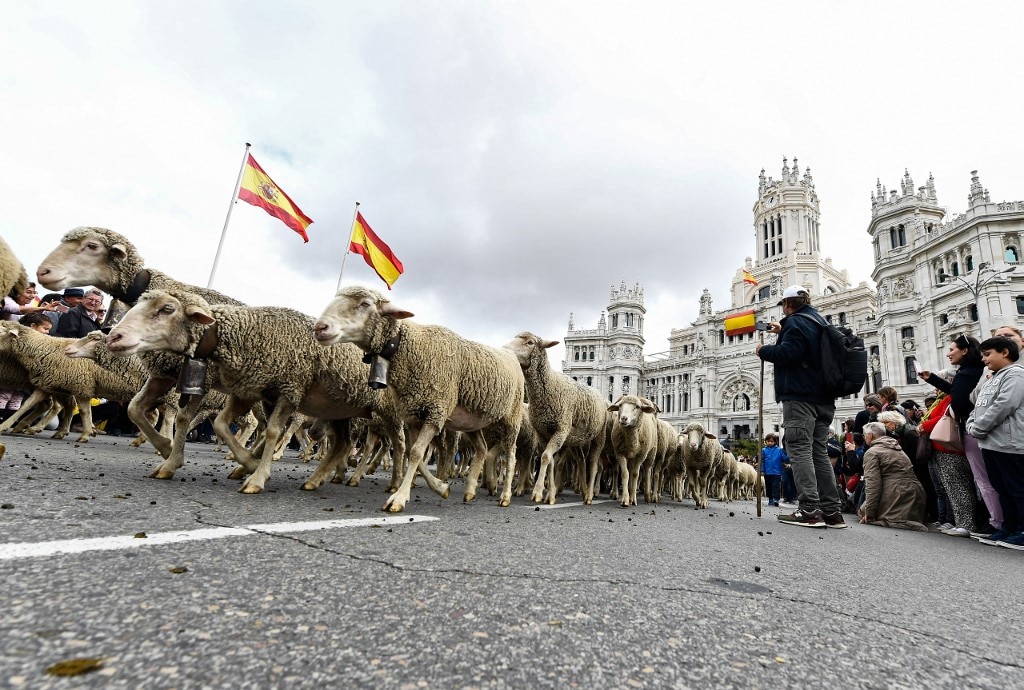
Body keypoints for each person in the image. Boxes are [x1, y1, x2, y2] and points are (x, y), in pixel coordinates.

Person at [756, 285, 846, 528]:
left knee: (799, 450)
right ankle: (832, 511)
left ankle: (808, 509)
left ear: (787, 304)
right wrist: (782, 328)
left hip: (801, 398)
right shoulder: (817, 321)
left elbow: (790, 353)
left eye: (783, 306)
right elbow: (806, 345)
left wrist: (764, 350)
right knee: (819, 453)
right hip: (824, 401)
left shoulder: (796, 323)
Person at [919, 334, 1000, 535]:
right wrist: (934, 379)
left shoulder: (967, 373)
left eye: (952, 349)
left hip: (972, 430)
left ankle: (991, 522)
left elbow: (959, 400)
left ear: (964, 351)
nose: (948, 354)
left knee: (980, 480)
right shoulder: (970, 372)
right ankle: (987, 521)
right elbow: (958, 392)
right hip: (976, 429)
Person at [966, 336, 1024, 550]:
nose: (984, 360)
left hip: (1010, 442)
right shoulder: (992, 378)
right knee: (1001, 488)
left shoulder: (1016, 374)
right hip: (989, 443)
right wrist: (971, 424)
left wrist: (978, 428)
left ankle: (1022, 529)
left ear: (1005, 352)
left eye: (988, 354)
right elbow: (978, 405)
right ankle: (1008, 527)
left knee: (1016, 487)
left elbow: (1004, 405)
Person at [918, 392, 977, 536]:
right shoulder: (942, 399)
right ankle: (960, 521)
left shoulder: (951, 397)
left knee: (958, 486)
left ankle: (967, 523)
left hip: (950, 448)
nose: (937, 390)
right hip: (941, 448)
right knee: (950, 487)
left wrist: (924, 425)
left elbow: (945, 418)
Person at [857, 422, 928, 531]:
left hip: (896, 494)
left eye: (864, 435)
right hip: (915, 494)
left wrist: (869, 513)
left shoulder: (872, 452)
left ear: (870, 435)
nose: (864, 438)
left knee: (863, 513)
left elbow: (873, 484)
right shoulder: (897, 448)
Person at [879, 409, 937, 523]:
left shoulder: (908, 432)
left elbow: (920, 449)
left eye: (886, 423)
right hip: (916, 465)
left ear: (894, 422)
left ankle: (935, 516)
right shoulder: (900, 432)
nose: (885, 426)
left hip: (921, 465)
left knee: (927, 489)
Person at [760, 433, 787, 507]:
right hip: (767, 472)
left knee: (776, 486)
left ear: (775, 442)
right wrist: (762, 470)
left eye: (772, 441)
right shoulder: (764, 450)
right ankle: (770, 499)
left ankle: (776, 499)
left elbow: (784, 458)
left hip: (777, 472)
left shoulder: (779, 450)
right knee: (768, 486)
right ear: (766, 441)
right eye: (768, 441)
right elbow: (762, 461)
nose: (770, 443)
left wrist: (787, 453)